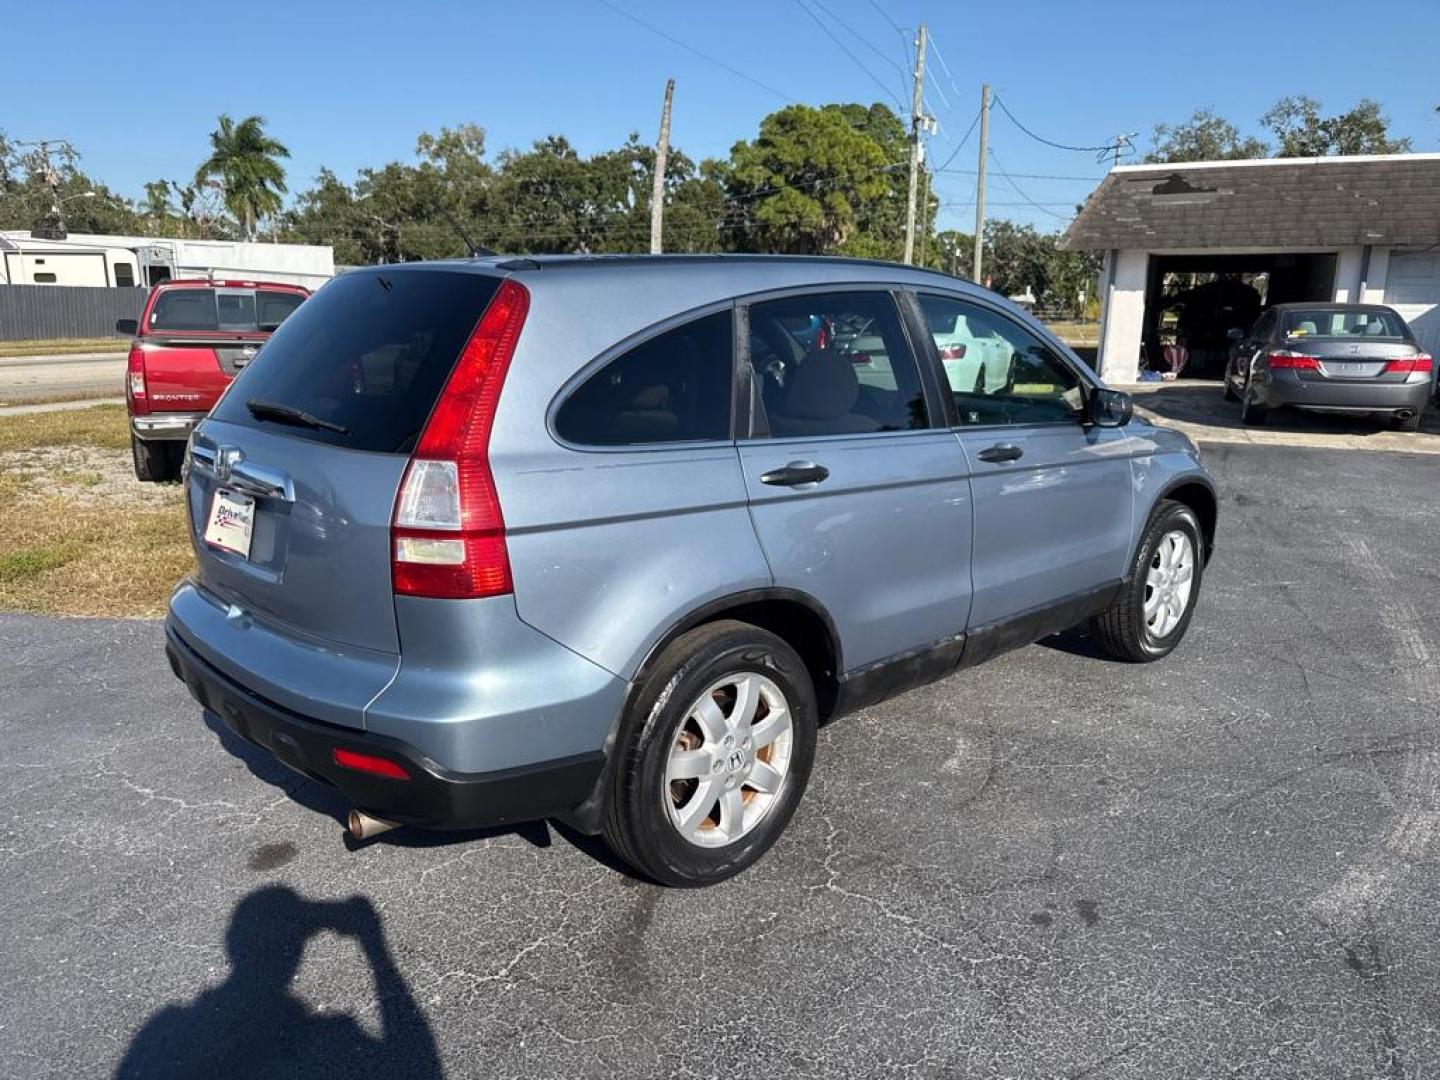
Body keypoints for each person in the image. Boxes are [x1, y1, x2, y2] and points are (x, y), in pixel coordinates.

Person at [115, 886, 442, 1079]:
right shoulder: (166, 1030)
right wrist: (373, 943)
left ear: (232, 941)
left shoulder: (165, 1030)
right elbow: (421, 1064)